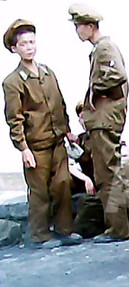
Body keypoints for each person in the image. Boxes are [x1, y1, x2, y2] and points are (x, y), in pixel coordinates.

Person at [68, 4, 129, 243]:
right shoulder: (101, 48)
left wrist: (95, 92)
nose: (77, 31)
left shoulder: (104, 48)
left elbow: (117, 75)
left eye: (78, 26)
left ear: (89, 26)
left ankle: (117, 229)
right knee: (114, 171)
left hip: (104, 120)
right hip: (104, 119)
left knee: (106, 176)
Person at [2, 19, 82, 248]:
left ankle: (65, 230)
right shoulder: (13, 82)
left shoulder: (48, 72)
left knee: (63, 185)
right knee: (39, 193)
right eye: (24, 44)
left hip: (57, 141)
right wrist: (23, 148)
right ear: (14, 48)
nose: (30, 47)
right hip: (36, 145)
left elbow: (60, 103)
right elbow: (14, 118)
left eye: (32, 42)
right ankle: (40, 236)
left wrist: (67, 131)